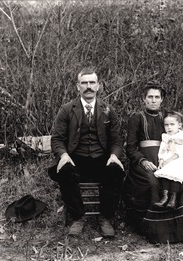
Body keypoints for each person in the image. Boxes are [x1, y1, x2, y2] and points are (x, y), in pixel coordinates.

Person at [48, 67, 125, 238]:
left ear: (98, 86)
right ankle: (78, 217)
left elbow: (116, 140)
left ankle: (105, 217)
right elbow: (57, 139)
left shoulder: (108, 110)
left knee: (116, 170)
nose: (88, 86)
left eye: (92, 83)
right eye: (84, 83)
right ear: (78, 86)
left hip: (101, 159)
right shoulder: (67, 109)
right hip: (76, 159)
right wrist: (64, 155)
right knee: (64, 170)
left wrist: (113, 155)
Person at [124, 82, 183, 243]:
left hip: (168, 159)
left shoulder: (167, 118)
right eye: (149, 97)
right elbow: (130, 147)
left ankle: (180, 231)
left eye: (156, 97)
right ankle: (155, 231)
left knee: (181, 181)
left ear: (162, 100)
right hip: (145, 161)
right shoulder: (136, 118)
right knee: (153, 182)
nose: (153, 100)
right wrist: (142, 161)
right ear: (143, 99)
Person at [153, 111, 183, 209]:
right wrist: (161, 160)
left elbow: (182, 151)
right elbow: (162, 151)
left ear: (179, 125)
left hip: (180, 160)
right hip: (168, 159)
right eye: (166, 125)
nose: (169, 127)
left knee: (175, 174)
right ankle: (165, 197)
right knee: (164, 173)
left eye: (172, 124)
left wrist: (168, 161)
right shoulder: (166, 137)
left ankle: (173, 198)